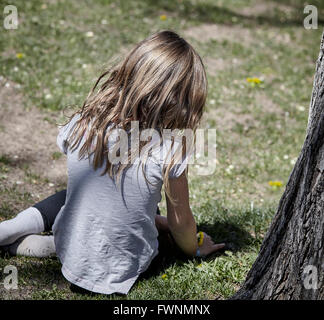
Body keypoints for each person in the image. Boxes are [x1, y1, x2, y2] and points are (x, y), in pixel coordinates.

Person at [0, 30, 225, 295]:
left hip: (70, 251)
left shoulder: (82, 124)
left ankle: (10, 233)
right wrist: (195, 248)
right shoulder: (171, 149)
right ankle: (27, 244)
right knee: (155, 230)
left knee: (73, 196)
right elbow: (181, 224)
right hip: (126, 269)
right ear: (182, 99)